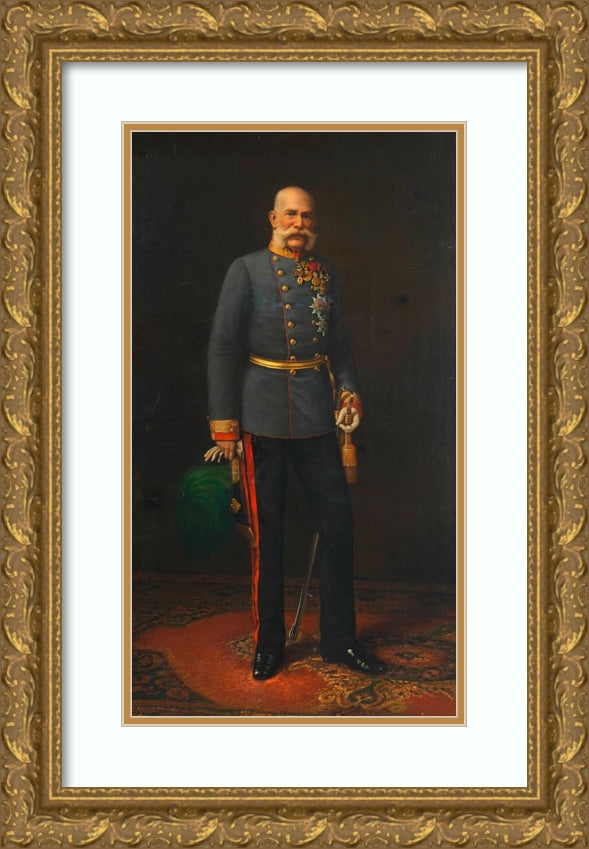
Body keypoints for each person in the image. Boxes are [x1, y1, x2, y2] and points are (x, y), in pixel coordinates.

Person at [207, 186, 386, 681]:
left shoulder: (325, 272)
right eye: (291, 215)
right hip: (260, 417)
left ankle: (340, 642)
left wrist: (348, 395)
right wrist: (224, 425)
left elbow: (340, 345)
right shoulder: (245, 270)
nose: (299, 224)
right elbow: (222, 348)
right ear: (273, 218)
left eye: (307, 216)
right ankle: (268, 645)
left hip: (315, 417)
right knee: (268, 537)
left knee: (338, 528)